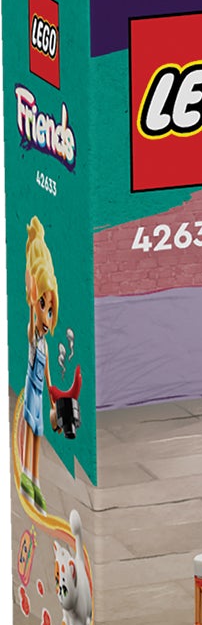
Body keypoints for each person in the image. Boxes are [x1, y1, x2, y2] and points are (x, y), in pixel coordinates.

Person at [20, 217, 59, 511]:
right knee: (31, 429)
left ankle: (35, 480)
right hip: (31, 392)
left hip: (41, 392)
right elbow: (33, 319)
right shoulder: (33, 333)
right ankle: (26, 474)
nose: (47, 315)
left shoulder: (44, 342)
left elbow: (46, 370)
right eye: (44, 306)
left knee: (39, 433)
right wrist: (34, 299)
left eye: (50, 308)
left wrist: (53, 395)